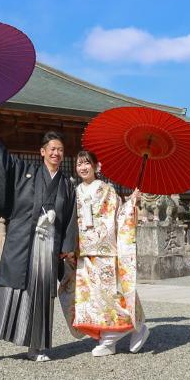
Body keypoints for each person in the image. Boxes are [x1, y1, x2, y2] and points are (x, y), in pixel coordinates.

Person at [0, 113, 78, 362]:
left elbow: (71, 215)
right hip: (21, 239)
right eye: (52, 149)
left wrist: (66, 248)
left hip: (48, 246)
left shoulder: (66, 185)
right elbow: (3, 161)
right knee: (7, 286)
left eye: (60, 150)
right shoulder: (25, 171)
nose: (56, 153)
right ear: (42, 152)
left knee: (40, 295)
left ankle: (35, 347)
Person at [59, 149, 149, 356]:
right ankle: (109, 336)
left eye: (87, 163)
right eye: (79, 164)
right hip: (82, 251)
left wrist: (131, 202)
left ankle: (121, 331)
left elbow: (119, 215)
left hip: (104, 251)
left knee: (108, 294)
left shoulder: (107, 190)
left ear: (96, 166)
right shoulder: (75, 192)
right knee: (89, 297)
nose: (83, 167)